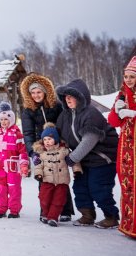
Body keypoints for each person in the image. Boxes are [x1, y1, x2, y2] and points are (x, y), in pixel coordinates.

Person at [55, 79, 119, 228]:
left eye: (71, 96)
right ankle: (87, 215)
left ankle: (111, 217)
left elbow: (89, 140)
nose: (68, 99)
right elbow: (59, 135)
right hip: (83, 160)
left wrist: (72, 158)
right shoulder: (64, 116)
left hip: (102, 158)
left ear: (81, 97)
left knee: (98, 187)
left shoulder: (91, 113)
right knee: (80, 187)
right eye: (65, 96)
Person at [20, 72, 73, 222]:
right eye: (33, 93)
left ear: (45, 91)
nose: (36, 95)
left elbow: (64, 124)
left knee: (61, 178)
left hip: (57, 146)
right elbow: (28, 132)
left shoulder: (55, 106)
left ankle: (65, 210)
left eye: (39, 92)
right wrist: (32, 151)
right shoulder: (28, 111)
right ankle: (45, 210)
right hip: (41, 148)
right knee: (44, 180)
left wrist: (63, 143)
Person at [108, 55, 136, 238]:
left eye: (132, 76)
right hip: (126, 148)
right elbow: (112, 121)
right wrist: (118, 112)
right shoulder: (121, 94)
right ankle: (130, 225)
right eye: (126, 77)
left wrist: (133, 112)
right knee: (128, 186)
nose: (128, 80)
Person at [0, 102, 29, 218]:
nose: (3, 122)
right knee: (1, 188)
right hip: (0, 167)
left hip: (13, 167)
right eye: (1, 120)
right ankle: (1, 209)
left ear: (11, 119)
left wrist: (24, 165)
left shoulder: (17, 134)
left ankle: (14, 210)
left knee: (14, 189)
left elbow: (22, 152)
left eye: (6, 119)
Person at [32, 123, 73, 227]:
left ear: (56, 139)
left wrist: (77, 170)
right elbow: (38, 166)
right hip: (47, 180)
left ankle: (53, 217)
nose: (47, 142)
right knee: (44, 198)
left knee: (59, 200)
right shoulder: (41, 153)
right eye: (45, 139)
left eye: (50, 139)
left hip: (61, 181)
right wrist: (38, 174)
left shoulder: (64, 151)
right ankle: (45, 214)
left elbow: (74, 162)